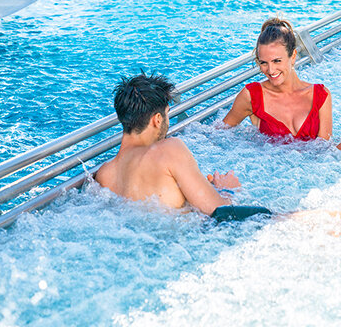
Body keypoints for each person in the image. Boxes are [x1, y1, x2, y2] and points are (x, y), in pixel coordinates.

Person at [95, 73, 272, 222]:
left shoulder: (104, 173)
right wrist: (227, 190)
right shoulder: (169, 149)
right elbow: (218, 212)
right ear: (157, 119)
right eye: (167, 114)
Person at [222, 18, 341, 156]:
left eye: (277, 61)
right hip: (272, 172)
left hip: (309, 171)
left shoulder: (320, 95)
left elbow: (324, 152)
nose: (271, 70)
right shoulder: (251, 96)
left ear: (293, 56)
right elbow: (220, 133)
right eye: (264, 63)